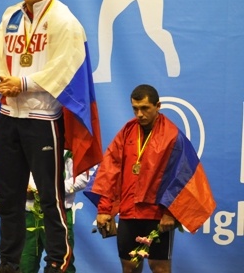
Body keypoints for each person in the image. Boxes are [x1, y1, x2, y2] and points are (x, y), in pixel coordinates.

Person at [0, 0, 103, 273]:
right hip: (10, 114)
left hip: (43, 119)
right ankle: (9, 262)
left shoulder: (64, 20)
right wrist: (0, 82)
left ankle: (58, 260)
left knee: (50, 196)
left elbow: (65, 67)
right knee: (8, 197)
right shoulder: (11, 16)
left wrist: (23, 83)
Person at [85, 84, 216, 273]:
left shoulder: (172, 136)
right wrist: (104, 209)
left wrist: (170, 213)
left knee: (160, 268)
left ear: (158, 106)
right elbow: (109, 170)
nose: (139, 114)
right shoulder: (127, 132)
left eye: (145, 108)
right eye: (135, 108)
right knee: (130, 267)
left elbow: (183, 175)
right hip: (129, 213)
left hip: (156, 215)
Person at [21, 151, 91, 273]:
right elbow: (14, 173)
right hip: (29, 215)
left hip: (58, 215)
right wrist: (22, 188)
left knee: (62, 265)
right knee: (24, 264)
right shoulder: (25, 143)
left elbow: (82, 179)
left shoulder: (71, 147)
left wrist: (50, 190)